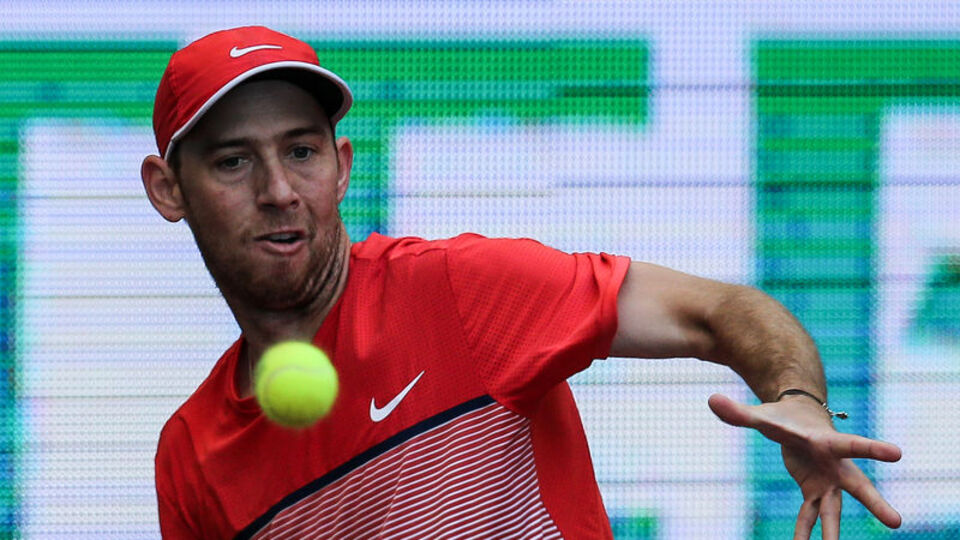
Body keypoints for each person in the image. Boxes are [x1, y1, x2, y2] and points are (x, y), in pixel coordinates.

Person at [140, 26, 902, 540]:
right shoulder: (190, 457)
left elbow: (724, 311)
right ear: (168, 190)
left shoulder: (461, 291)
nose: (279, 190)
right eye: (234, 161)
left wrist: (796, 395)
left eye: (300, 152)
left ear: (341, 166)